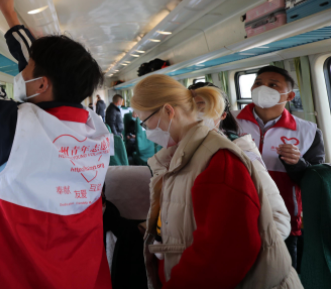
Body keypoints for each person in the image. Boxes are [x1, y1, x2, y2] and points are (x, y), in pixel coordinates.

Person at [0, 0, 112, 288]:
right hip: (85, 276)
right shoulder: (97, 131)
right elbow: (46, 71)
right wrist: (8, 11)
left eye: (27, 68)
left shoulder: (15, 132)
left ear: (41, 84)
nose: (22, 71)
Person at [133, 74, 300, 288]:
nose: (146, 130)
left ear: (168, 111)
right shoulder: (182, 157)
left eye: (145, 122)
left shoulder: (219, 160)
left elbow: (228, 251)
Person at [236, 66, 325, 270]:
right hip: (234, 214)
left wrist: (297, 164)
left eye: (273, 84)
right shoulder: (228, 123)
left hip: (283, 218)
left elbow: (315, 181)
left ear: (290, 96)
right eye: (258, 83)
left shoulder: (308, 131)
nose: (263, 88)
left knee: (282, 274)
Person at [189, 81, 291, 239]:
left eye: (202, 107)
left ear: (222, 115)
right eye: (189, 108)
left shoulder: (241, 152)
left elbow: (278, 220)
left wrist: (234, 246)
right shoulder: (181, 152)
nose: (196, 114)